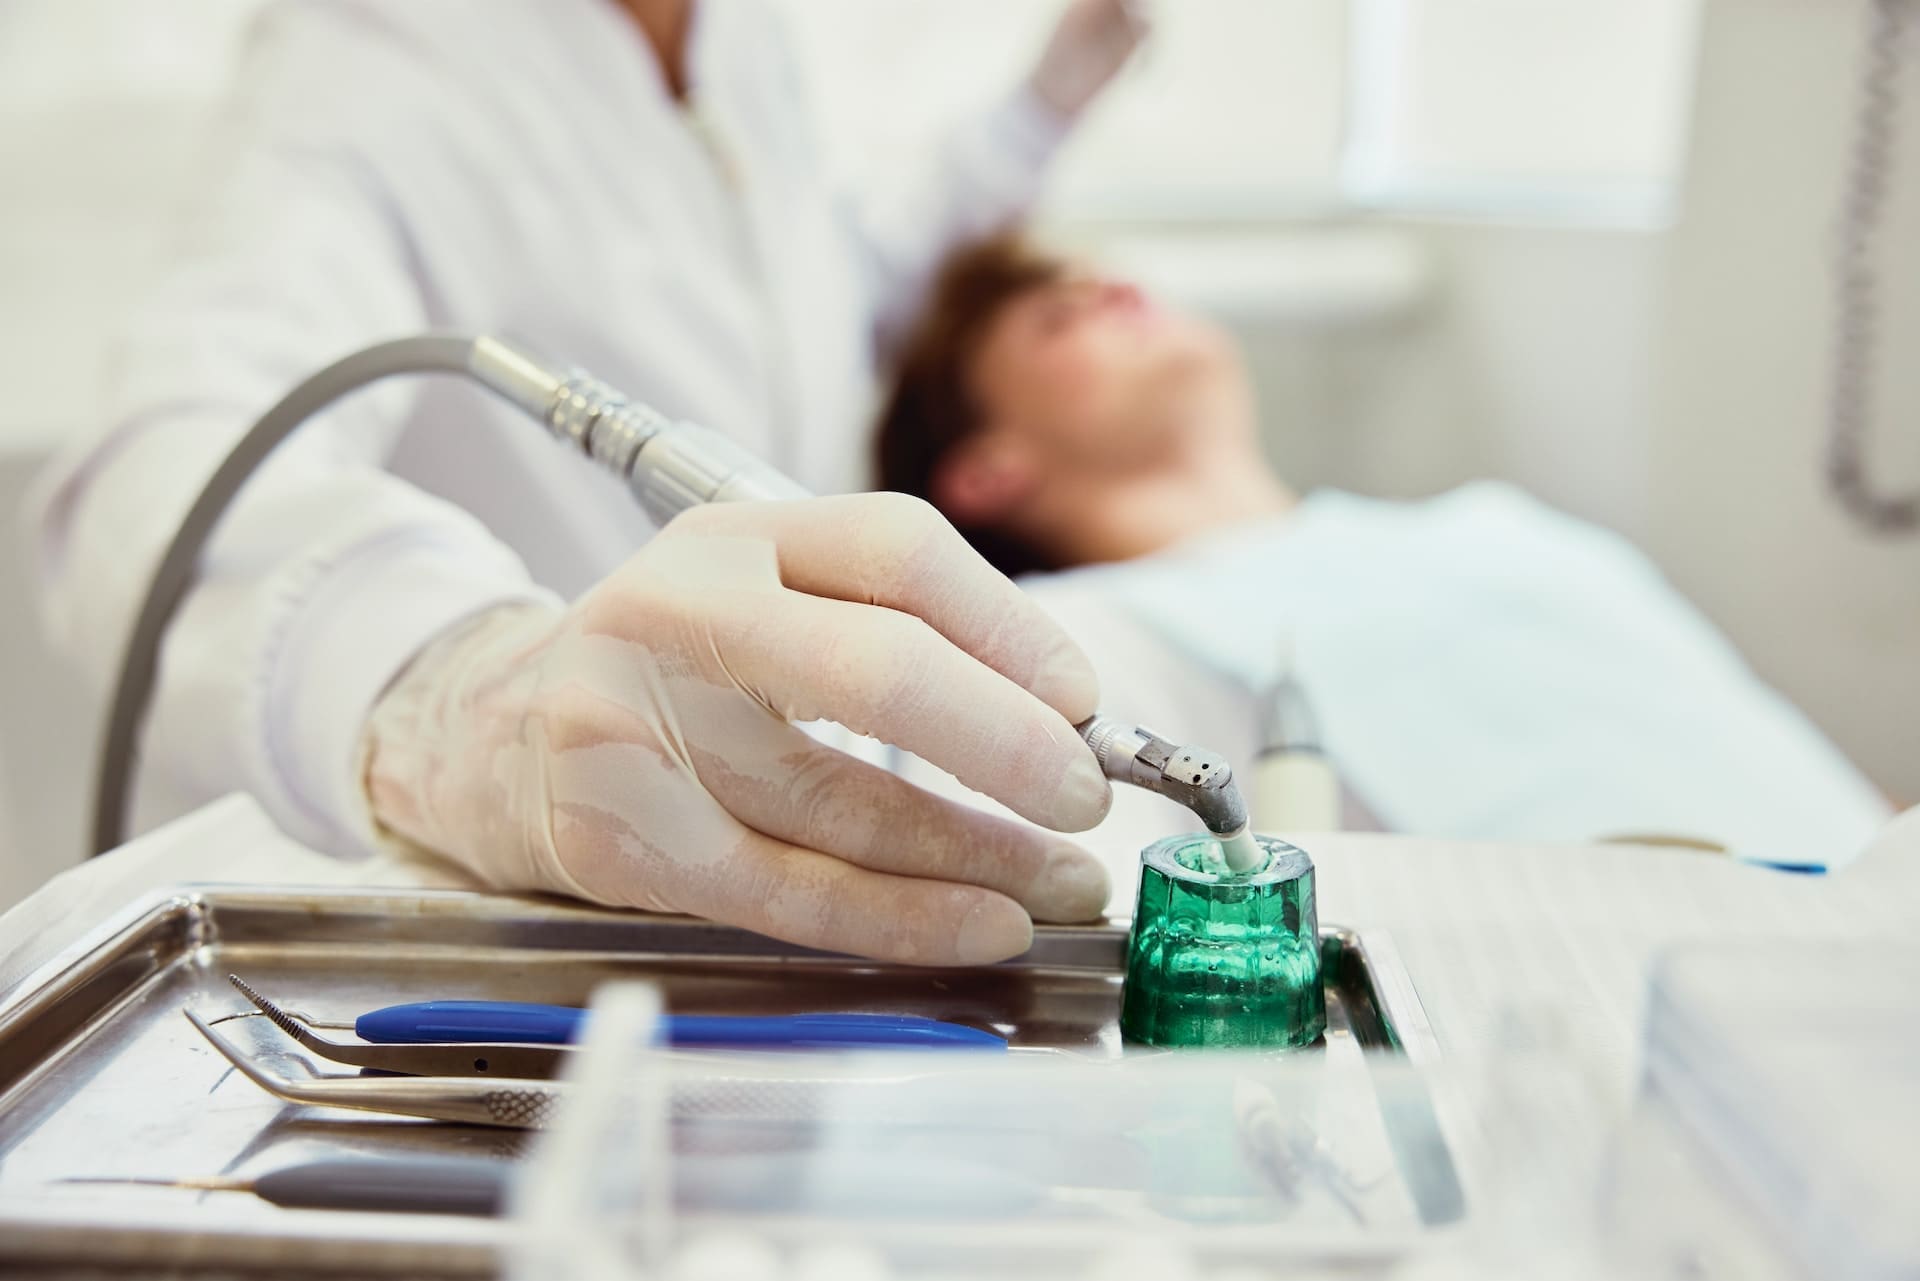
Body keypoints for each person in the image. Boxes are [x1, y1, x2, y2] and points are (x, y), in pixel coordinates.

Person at [29, 0, 1150, 965]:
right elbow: (150, 480)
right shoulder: (376, 63)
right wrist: (459, 703)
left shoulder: (737, 42)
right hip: (537, 965)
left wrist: (1047, 100)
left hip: (768, 925)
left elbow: (822, 288)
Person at [874, 236, 1893, 868]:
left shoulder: (1499, 525)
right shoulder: (1078, 643)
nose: (1115, 290)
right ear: (984, 470)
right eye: (1061, 317)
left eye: (1111, 281)